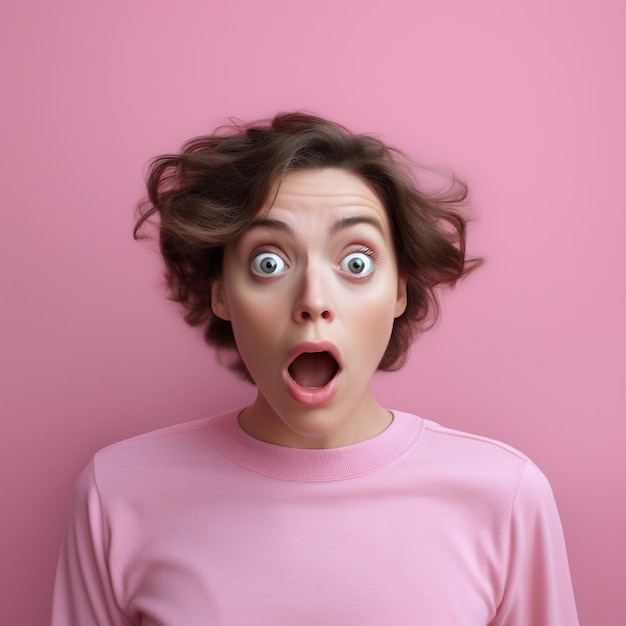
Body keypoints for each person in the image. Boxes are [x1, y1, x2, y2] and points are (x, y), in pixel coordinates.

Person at [52, 113, 579, 625]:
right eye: (269, 262)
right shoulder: (117, 493)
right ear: (221, 293)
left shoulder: (505, 496)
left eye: (356, 262)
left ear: (398, 290)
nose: (314, 300)